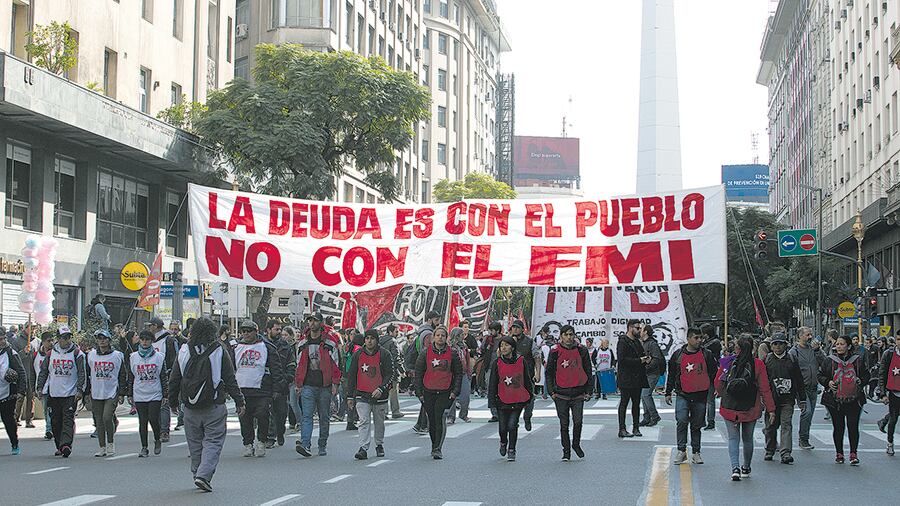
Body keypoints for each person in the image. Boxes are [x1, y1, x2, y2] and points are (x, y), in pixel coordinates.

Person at [170, 317, 246, 492]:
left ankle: (197, 472)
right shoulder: (219, 350)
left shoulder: (184, 350)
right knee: (213, 441)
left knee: (195, 443)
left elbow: (174, 378)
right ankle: (204, 475)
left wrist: (173, 401)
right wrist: (239, 400)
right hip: (214, 405)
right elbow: (229, 378)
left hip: (189, 407)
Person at [716, 335, 775, 481]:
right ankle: (746, 467)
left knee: (733, 438)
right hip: (751, 406)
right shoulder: (758, 364)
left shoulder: (727, 362)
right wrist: (770, 408)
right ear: (753, 348)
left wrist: (723, 393)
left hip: (730, 405)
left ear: (737, 348)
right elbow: (765, 388)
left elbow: (718, 382)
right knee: (748, 438)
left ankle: (734, 468)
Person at [666, 326, 718, 466]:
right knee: (682, 420)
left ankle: (696, 452)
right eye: (696, 338)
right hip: (683, 394)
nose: (699, 340)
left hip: (701, 395)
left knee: (696, 425)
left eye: (700, 337)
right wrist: (668, 391)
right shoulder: (678, 355)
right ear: (688, 339)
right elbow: (671, 374)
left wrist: (717, 388)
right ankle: (681, 450)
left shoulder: (706, 354)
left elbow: (714, 372)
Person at [233, 320, 283, 457]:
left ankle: (262, 441)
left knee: (262, 415)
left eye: (249, 331)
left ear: (256, 331)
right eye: (243, 331)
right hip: (242, 389)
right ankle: (248, 444)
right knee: (244, 418)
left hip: (262, 389)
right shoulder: (235, 347)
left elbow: (276, 368)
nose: (246, 333)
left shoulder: (267, 347)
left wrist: (277, 388)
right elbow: (229, 369)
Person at [295, 312, 341, 457]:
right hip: (308, 385)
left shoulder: (330, 341)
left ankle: (322, 444)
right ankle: (305, 444)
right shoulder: (303, 342)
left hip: (325, 385)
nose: (312, 323)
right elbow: (298, 364)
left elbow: (336, 364)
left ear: (321, 323)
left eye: (315, 320)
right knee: (307, 416)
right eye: (310, 320)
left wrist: (335, 383)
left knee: (324, 416)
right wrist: (299, 383)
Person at [819, 334, 869, 466]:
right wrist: (828, 382)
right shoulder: (829, 360)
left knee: (853, 426)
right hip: (834, 400)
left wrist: (860, 381)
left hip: (855, 399)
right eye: (837, 344)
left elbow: (866, 374)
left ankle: (853, 453)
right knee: (838, 426)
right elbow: (820, 375)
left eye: (842, 344)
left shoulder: (857, 360)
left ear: (849, 346)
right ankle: (839, 453)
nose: (839, 346)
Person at [36, 325, 86, 457]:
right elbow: (44, 372)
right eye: (64, 337)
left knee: (67, 419)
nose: (67, 340)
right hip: (54, 393)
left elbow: (82, 373)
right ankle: (59, 445)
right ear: (58, 339)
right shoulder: (51, 354)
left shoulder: (77, 354)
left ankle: (66, 445)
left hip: (70, 394)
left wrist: (80, 390)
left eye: (69, 337)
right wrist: (39, 387)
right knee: (55, 420)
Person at [414, 325, 462, 460]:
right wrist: (419, 392)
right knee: (431, 420)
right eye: (438, 335)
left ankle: (437, 448)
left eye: (443, 335)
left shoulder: (452, 353)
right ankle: (433, 444)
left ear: (446, 338)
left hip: (445, 391)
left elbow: (458, 373)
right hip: (428, 391)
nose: (440, 337)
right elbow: (418, 373)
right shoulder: (425, 353)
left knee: (439, 418)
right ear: (433, 337)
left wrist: (455, 392)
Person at [545, 325, 591, 461]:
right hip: (560, 394)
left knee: (578, 422)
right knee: (564, 424)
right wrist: (551, 391)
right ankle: (566, 451)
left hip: (578, 393)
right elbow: (549, 373)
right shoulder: (554, 351)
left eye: (571, 334)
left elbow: (588, 370)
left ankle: (576, 444)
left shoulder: (582, 350)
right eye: (566, 335)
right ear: (561, 336)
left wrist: (588, 391)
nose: (569, 337)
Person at [348, 329, 393, 460]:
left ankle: (379, 444)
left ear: (376, 340)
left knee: (379, 422)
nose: (369, 341)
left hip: (380, 395)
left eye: (372, 338)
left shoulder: (385, 354)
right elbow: (351, 375)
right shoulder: (358, 355)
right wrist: (350, 396)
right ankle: (363, 448)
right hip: (362, 394)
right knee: (363, 421)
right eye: (367, 338)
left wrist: (381, 389)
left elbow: (390, 374)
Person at [489, 334, 534, 462]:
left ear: (512, 348)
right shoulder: (497, 363)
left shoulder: (521, 360)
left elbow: (526, 379)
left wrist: (530, 396)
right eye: (501, 346)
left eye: (506, 345)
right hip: (502, 399)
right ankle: (503, 442)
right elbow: (493, 383)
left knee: (512, 425)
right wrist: (492, 401)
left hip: (517, 398)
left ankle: (512, 449)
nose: (503, 348)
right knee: (503, 427)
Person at [762, 333, 806, 464]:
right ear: (771, 346)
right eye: (775, 344)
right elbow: (762, 380)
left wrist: (802, 399)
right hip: (771, 400)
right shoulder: (767, 360)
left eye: (780, 344)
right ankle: (770, 449)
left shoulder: (792, 359)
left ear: (785, 345)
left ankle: (785, 452)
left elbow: (799, 380)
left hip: (788, 399)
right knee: (770, 426)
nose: (778, 347)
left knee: (786, 425)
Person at [86, 329, 126, 457]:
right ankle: (102, 446)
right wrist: (86, 392)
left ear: (109, 340)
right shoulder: (91, 355)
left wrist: (122, 393)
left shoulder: (117, 355)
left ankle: (110, 443)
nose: (102, 341)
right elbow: (88, 373)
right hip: (96, 392)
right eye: (99, 338)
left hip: (111, 391)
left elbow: (122, 374)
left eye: (104, 338)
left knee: (107, 417)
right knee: (99, 420)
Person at [128, 330, 168, 457]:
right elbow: (131, 377)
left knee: (153, 418)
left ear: (152, 341)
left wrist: (165, 394)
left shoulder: (159, 357)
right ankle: (144, 447)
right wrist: (129, 394)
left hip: (155, 393)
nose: (145, 342)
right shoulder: (133, 357)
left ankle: (157, 439)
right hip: (139, 393)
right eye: (142, 339)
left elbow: (163, 377)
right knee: (142, 421)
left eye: (147, 340)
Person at [788, 326, 825, 450]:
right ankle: (803, 438)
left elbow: (824, 363)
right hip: (801, 388)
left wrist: (818, 350)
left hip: (813, 387)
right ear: (800, 336)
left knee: (810, 414)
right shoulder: (794, 352)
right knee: (807, 412)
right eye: (807, 335)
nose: (810, 337)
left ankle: (805, 437)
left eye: (811, 335)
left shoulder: (814, 350)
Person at [406, 311, 442, 434]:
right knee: (429, 398)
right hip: (427, 370)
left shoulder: (421, 332)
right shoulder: (428, 335)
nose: (438, 323)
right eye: (436, 320)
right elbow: (429, 353)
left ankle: (420, 424)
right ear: (430, 320)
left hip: (422, 369)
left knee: (427, 398)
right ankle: (423, 425)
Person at [617, 319, 650, 438]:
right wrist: (639, 360)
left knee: (636, 403)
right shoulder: (623, 341)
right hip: (626, 378)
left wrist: (645, 359)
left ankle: (636, 427)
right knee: (624, 403)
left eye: (640, 328)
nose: (639, 330)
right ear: (630, 328)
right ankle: (622, 428)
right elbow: (622, 359)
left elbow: (641, 355)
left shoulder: (637, 342)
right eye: (637, 328)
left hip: (637, 378)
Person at [147, 316, 178, 442]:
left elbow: (174, 358)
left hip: (165, 375)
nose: (149, 328)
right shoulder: (149, 340)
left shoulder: (168, 340)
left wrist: (172, 374)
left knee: (164, 403)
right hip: (150, 376)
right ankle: (158, 429)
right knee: (153, 404)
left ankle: (164, 430)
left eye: (150, 325)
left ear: (156, 326)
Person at [265, 319, 294, 448]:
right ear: (268, 330)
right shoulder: (262, 345)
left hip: (282, 383)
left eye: (280, 329)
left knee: (281, 412)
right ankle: (270, 436)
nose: (279, 332)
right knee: (268, 411)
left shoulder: (285, 346)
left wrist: (288, 377)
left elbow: (291, 363)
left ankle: (280, 432)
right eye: (276, 329)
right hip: (266, 383)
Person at [509, 320, 541, 431]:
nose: (515, 329)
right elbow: (500, 355)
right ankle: (514, 421)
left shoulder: (529, 341)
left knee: (529, 399)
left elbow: (537, 357)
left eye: (517, 327)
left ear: (522, 329)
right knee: (513, 401)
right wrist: (510, 343)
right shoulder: (507, 341)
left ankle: (527, 417)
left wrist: (537, 373)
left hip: (527, 376)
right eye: (513, 327)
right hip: (511, 377)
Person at [0, 329, 26, 455]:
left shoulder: (11, 353)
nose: (2, 341)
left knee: (8, 420)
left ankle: (14, 443)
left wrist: (21, 391)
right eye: (0, 339)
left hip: (7, 393)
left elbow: (21, 372)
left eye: (3, 338)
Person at [877, 335, 900, 455]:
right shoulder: (889, 354)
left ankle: (883, 421)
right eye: (899, 339)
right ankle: (890, 443)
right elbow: (882, 374)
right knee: (894, 418)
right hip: (894, 392)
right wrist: (882, 393)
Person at [640, 324, 665, 427]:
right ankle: (647, 417)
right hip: (647, 373)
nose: (640, 331)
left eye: (641, 329)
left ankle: (654, 416)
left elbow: (656, 359)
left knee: (646, 394)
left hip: (652, 373)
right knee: (644, 395)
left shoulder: (651, 344)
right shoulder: (645, 343)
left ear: (645, 332)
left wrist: (647, 367)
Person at [378, 324, 405, 419]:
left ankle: (384, 412)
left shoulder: (380, 341)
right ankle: (395, 411)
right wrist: (402, 370)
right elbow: (396, 357)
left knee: (384, 391)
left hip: (381, 370)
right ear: (390, 332)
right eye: (396, 331)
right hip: (392, 370)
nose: (398, 333)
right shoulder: (393, 342)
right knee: (393, 391)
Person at [447, 327, 473, 424]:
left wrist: (469, 372)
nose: (464, 336)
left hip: (463, 373)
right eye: (462, 335)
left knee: (465, 395)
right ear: (457, 335)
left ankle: (463, 414)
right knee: (451, 396)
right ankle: (450, 416)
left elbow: (467, 359)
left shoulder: (464, 347)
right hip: (452, 374)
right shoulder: (449, 347)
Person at [700, 323, 723, 430]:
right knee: (704, 399)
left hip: (711, 373)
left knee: (710, 399)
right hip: (704, 373)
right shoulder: (708, 342)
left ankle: (710, 421)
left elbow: (702, 350)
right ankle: (703, 420)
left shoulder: (714, 343)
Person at [35, 331, 54, 440]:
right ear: (43, 342)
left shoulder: (55, 354)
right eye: (48, 341)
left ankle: (49, 430)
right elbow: (33, 372)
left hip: (53, 387)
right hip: (42, 387)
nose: (51, 343)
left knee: (51, 410)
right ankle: (49, 428)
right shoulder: (36, 355)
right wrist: (36, 387)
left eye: (52, 340)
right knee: (45, 409)